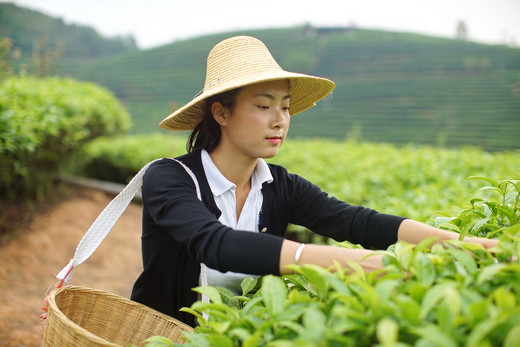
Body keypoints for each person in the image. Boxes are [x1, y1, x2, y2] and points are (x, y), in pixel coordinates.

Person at [130, 35, 497, 326]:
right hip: (159, 337)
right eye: (263, 106)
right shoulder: (170, 178)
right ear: (221, 113)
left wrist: (461, 244)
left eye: (285, 106)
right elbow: (215, 244)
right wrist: (340, 261)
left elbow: (357, 221)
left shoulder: (279, 185)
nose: (280, 120)